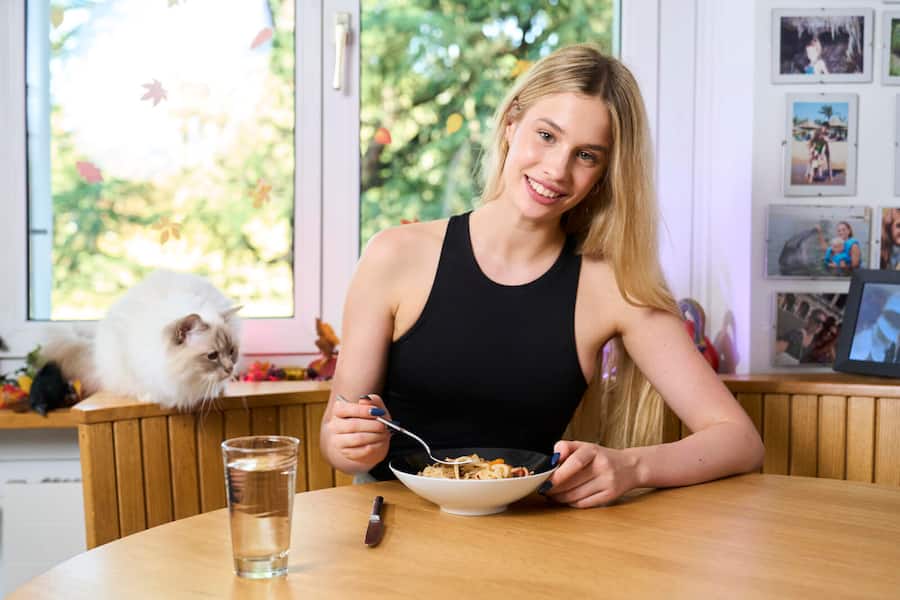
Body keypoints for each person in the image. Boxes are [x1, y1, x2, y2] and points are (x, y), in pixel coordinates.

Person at [319, 44, 764, 508]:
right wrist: (352, 444)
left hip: (529, 532)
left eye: (586, 155)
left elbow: (739, 441)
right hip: (388, 523)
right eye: (547, 136)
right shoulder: (395, 255)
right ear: (512, 122)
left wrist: (632, 467)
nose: (557, 169)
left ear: (605, 173)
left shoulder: (611, 285)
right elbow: (338, 439)